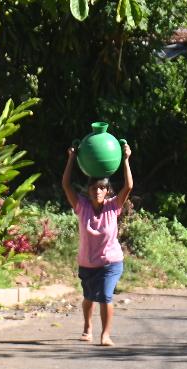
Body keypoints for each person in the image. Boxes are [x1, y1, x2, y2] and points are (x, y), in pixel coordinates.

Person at [62, 142, 133, 346]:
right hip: (87, 263)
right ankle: (87, 327)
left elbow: (128, 186)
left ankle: (106, 334)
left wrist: (126, 160)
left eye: (102, 188)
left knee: (105, 295)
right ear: (89, 190)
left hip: (111, 261)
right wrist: (71, 159)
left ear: (107, 190)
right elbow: (66, 185)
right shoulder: (81, 206)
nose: (98, 191)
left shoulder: (113, 207)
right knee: (89, 297)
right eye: (94, 188)